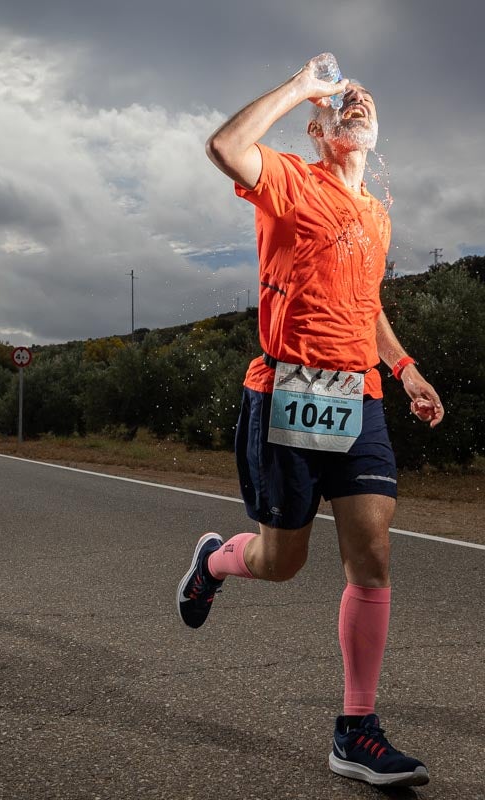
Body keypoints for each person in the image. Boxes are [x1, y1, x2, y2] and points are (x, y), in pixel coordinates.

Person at [176, 55, 444, 790]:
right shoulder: (294, 179)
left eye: (364, 99)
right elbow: (224, 149)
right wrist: (302, 84)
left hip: (358, 397)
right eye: (341, 102)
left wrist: (405, 368)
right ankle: (216, 561)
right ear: (320, 128)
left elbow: (368, 304)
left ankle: (356, 731)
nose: (355, 103)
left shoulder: (378, 214)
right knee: (282, 561)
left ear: (375, 129)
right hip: (287, 390)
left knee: (374, 551)